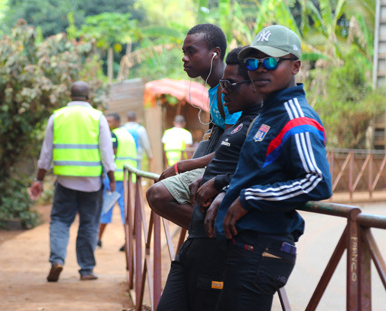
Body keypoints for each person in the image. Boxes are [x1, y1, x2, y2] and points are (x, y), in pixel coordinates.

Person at [204, 25, 332, 311]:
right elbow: (260, 171)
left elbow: (316, 181)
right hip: (245, 245)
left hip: (263, 248)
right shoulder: (268, 113)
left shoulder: (296, 118)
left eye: (271, 61)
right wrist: (228, 192)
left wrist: (249, 199)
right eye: (253, 62)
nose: (259, 69)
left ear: (295, 66)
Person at [154, 47, 263, 311]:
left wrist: (219, 184)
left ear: (254, 85)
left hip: (221, 246)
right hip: (197, 242)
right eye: (223, 85)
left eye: (231, 85)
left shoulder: (263, 124)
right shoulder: (240, 123)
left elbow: (269, 175)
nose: (222, 91)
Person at [146, 24, 242, 229]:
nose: (184, 58)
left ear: (215, 54)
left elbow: (229, 151)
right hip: (217, 167)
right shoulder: (214, 90)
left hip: (229, 170)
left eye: (191, 51)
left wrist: (181, 166)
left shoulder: (231, 90)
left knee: (157, 194)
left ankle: (213, 233)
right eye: (184, 52)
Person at [29, 81, 116, 282]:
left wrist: (39, 179)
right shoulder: (97, 117)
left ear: (70, 96)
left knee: (60, 221)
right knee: (89, 224)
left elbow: (46, 153)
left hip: (64, 180)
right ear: (88, 98)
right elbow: (106, 152)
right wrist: (111, 178)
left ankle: (57, 260)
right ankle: (86, 269)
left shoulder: (57, 116)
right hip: (92, 182)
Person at [97, 113, 137, 249]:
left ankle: (97, 239)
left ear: (118, 122)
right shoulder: (128, 136)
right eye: (106, 121)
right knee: (125, 210)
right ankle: (129, 241)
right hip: (128, 177)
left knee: (106, 208)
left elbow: (110, 155)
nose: (107, 124)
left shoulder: (113, 135)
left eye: (110, 121)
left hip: (114, 179)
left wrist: (104, 173)